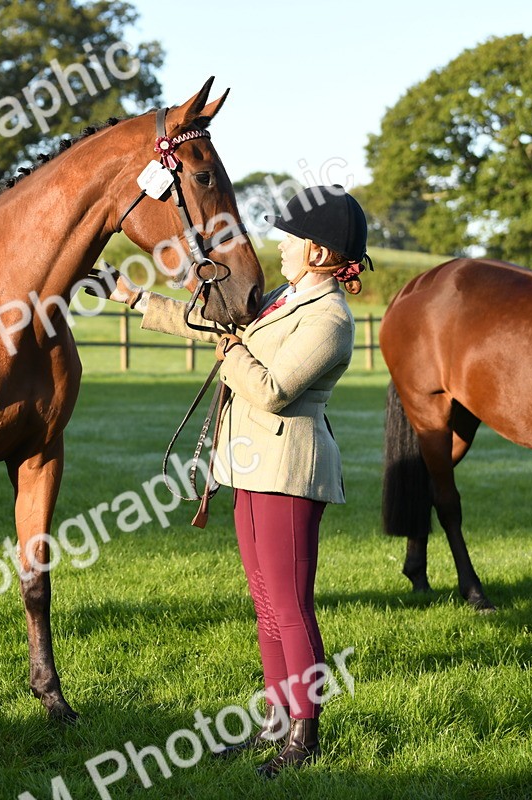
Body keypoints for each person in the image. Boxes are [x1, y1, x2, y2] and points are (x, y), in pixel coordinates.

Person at [91, 185, 372, 777]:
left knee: (292, 609)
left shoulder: (329, 320)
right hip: (247, 466)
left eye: (291, 238)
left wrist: (230, 346)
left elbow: (271, 389)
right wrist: (129, 294)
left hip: (289, 472)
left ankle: (304, 734)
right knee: (267, 605)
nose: (280, 244)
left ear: (319, 252)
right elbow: (214, 324)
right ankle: (275, 720)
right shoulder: (282, 299)